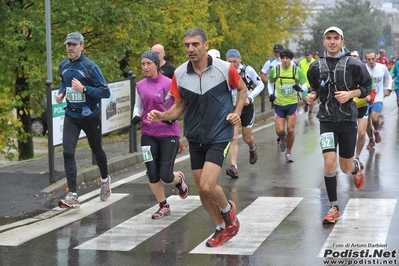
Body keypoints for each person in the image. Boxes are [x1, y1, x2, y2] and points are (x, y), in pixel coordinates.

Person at [147, 27, 247, 247]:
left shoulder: (224, 68)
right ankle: (221, 228)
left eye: (195, 44)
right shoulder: (180, 73)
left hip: (219, 134)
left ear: (206, 45)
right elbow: (178, 107)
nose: (190, 49)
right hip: (195, 136)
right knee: (201, 189)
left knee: (208, 186)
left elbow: (242, 89)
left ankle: (228, 211)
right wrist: (162, 115)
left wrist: (236, 113)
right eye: (187, 45)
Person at [305, 26, 372, 224]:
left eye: (336, 38)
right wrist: (312, 95)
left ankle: (355, 167)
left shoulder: (354, 64)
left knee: (344, 167)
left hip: (347, 120)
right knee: (329, 162)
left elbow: (367, 87)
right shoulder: (316, 66)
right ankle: (333, 207)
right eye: (328, 38)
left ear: (343, 41)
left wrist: (351, 94)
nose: (332, 41)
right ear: (324, 41)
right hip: (326, 120)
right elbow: (315, 87)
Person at [56, 32, 111, 208]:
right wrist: (61, 93)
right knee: (68, 152)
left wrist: (84, 89)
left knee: (96, 150)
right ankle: (72, 194)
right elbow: (64, 83)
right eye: (68, 45)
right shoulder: (63, 66)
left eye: (74, 45)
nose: (70, 48)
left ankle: (104, 180)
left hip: (90, 116)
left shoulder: (91, 67)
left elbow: (105, 92)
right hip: (71, 115)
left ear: (82, 46)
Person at [131, 50, 189, 219]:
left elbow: (178, 106)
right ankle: (163, 205)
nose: (145, 67)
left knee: (165, 175)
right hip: (148, 133)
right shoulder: (140, 85)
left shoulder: (169, 84)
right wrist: (136, 115)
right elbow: (138, 105)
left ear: (156, 64)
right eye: (143, 64)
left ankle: (178, 179)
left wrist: (171, 119)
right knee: (152, 172)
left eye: (149, 63)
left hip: (167, 133)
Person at [225, 49, 264, 178]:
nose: (232, 64)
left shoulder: (248, 70)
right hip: (233, 107)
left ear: (240, 59)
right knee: (233, 137)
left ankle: (252, 147)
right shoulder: (225, 70)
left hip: (246, 107)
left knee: (247, 138)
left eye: (234, 61)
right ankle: (233, 167)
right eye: (229, 61)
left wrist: (250, 97)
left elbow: (260, 85)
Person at [268, 49, 307, 162]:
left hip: (291, 104)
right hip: (279, 104)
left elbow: (304, 85)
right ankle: (283, 139)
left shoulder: (296, 70)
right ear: (280, 59)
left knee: (290, 129)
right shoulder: (275, 70)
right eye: (283, 58)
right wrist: (271, 94)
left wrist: (300, 89)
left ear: (290, 59)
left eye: (287, 58)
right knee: (279, 130)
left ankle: (288, 152)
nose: (285, 61)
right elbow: (270, 84)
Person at [350, 51, 376, 167]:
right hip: (349, 107)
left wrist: (370, 97)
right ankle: (348, 157)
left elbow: (373, 90)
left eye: (357, 58)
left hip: (363, 106)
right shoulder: (345, 73)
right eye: (352, 58)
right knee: (350, 134)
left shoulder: (366, 73)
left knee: (361, 133)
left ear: (360, 60)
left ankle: (357, 157)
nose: (355, 61)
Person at [364, 50, 392, 149]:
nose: (371, 61)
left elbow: (388, 78)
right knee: (366, 123)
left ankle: (376, 132)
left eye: (373, 58)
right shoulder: (363, 69)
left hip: (378, 98)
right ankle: (371, 140)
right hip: (365, 100)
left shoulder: (382, 67)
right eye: (369, 59)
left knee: (375, 118)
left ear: (376, 58)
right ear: (365, 60)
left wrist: (389, 89)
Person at [299, 50, 316, 119]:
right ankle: (306, 105)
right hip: (304, 84)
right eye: (306, 55)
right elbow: (298, 72)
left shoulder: (315, 62)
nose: (307, 56)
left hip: (312, 84)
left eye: (308, 55)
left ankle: (310, 112)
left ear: (311, 55)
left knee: (311, 99)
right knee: (304, 98)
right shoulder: (301, 62)